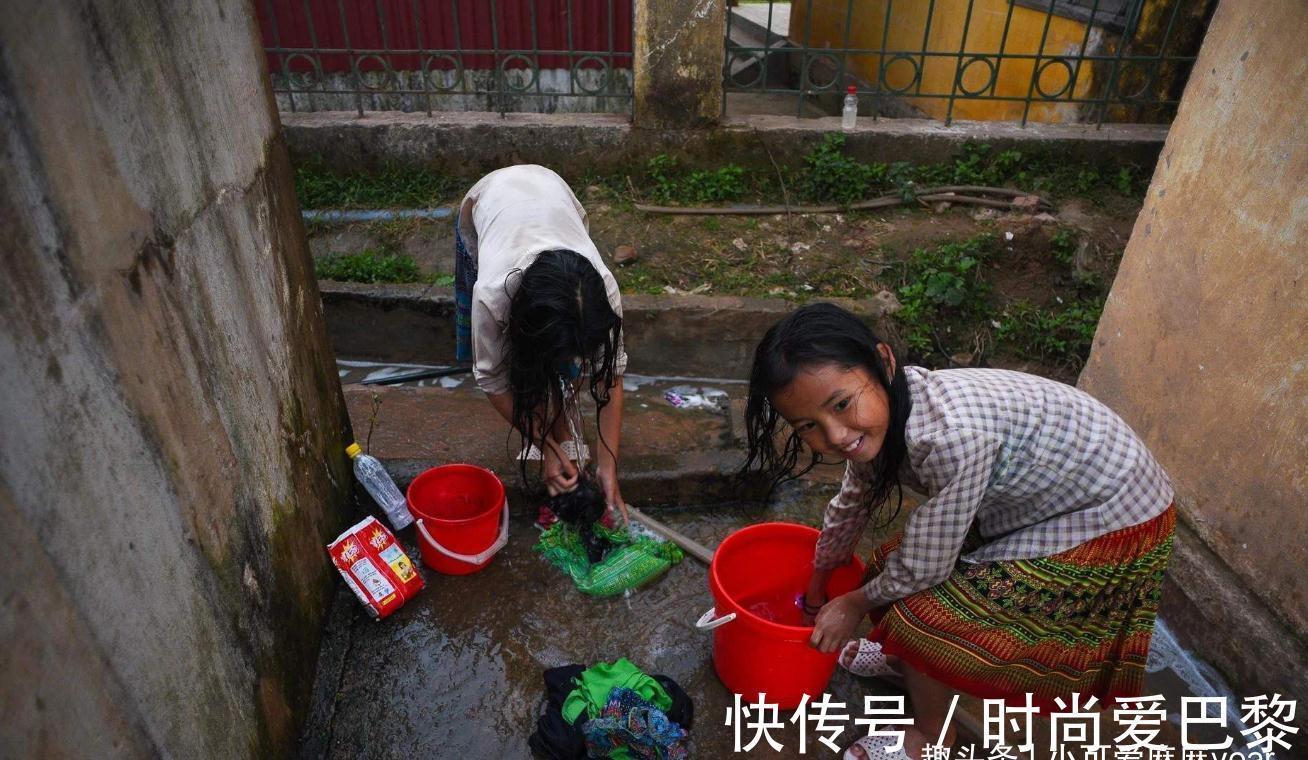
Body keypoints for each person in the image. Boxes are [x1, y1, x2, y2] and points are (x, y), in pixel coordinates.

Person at [742, 303, 1174, 760]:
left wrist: (849, 604)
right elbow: (851, 505)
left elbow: (925, 568)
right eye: (808, 425)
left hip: (1109, 511)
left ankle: (930, 738)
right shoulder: (885, 415)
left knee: (925, 620)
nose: (833, 435)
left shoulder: (951, 435)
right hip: (1038, 497)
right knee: (884, 569)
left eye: (841, 404)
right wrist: (815, 592)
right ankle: (905, 663)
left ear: (884, 363)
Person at [456, 165, 628, 523]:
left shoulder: (603, 291)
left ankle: (561, 422)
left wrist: (608, 468)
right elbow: (492, 379)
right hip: (489, 203)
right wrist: (545, 445)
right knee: (526, 363)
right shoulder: (491, 295)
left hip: (555, 193)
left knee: (567, 356)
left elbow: (609, 378)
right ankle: (555, 431)